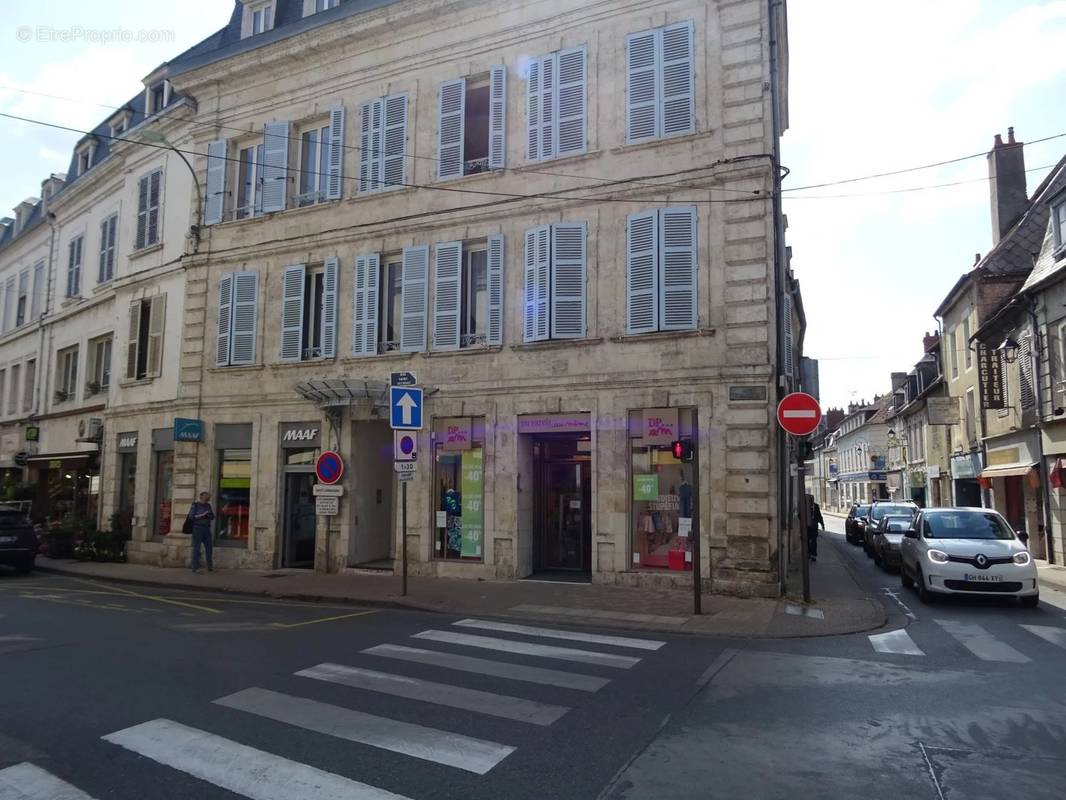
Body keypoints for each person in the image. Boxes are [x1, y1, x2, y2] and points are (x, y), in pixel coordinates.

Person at [188, 491, 215, 573]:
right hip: (197, 528)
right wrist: (203, 514)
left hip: (206, 528)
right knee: (196, 548)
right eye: (207, 496)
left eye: (209, 497)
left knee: (209, 548)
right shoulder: (195, 505)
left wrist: (209, 515)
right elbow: (191, 517)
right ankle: (194, 568)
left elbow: (212, 516)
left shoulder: (208, 505)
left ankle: (209, 567)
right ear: (202, 497)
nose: (209, 498)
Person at [806, 494, 825, 562]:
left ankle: (814, 555)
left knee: (814, 541)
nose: (811, 501)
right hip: (807, 527)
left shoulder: (816, 506)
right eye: (810, 500)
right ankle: (808, 553)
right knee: (807, 540)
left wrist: (822, 524)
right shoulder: (806, 506)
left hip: (814, 527)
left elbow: (819, 516)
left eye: (812, 500)